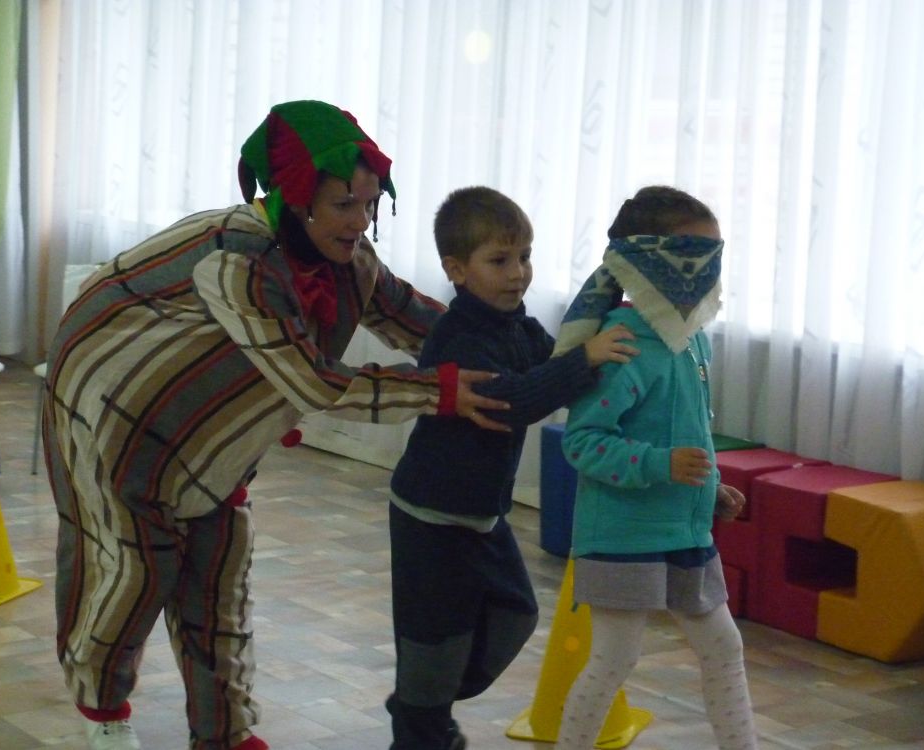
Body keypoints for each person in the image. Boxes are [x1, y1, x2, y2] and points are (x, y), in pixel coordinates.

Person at [42, 100, 511, 750]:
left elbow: (417, 319)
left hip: (215, 438)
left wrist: (516, 348)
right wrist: (441, 391)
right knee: (138, 571)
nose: (361, 221)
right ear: (297, 199)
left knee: (218, 580)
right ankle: (105, 715)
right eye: (344, 204)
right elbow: (312, 381)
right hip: (120, 423)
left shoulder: (349, 260)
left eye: (370, 203)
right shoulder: (236, 259)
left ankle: (226, 735)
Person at [385, 186, 638, 750]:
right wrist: (585, 358)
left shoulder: (519, 328)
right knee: (435, 641)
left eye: (524, 256)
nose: (518, 273)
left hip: (483, 516)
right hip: (431, 517)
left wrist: (610, 296)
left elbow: (560, 366)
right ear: (456, 270)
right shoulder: (457, 337)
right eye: (499, 260)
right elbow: (513, 401)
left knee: (516, 615)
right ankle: (422, 724)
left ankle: (422, 701)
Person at [554, 185, 758, 750]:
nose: (708, 270)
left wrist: (710, 488)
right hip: (622, 535)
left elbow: (686, 431)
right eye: (696, 255)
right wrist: (661, 464)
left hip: (684, 532)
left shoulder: (693, 344)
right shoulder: (623, 346)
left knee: (724, 648)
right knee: (615, 659)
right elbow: (583, 442)